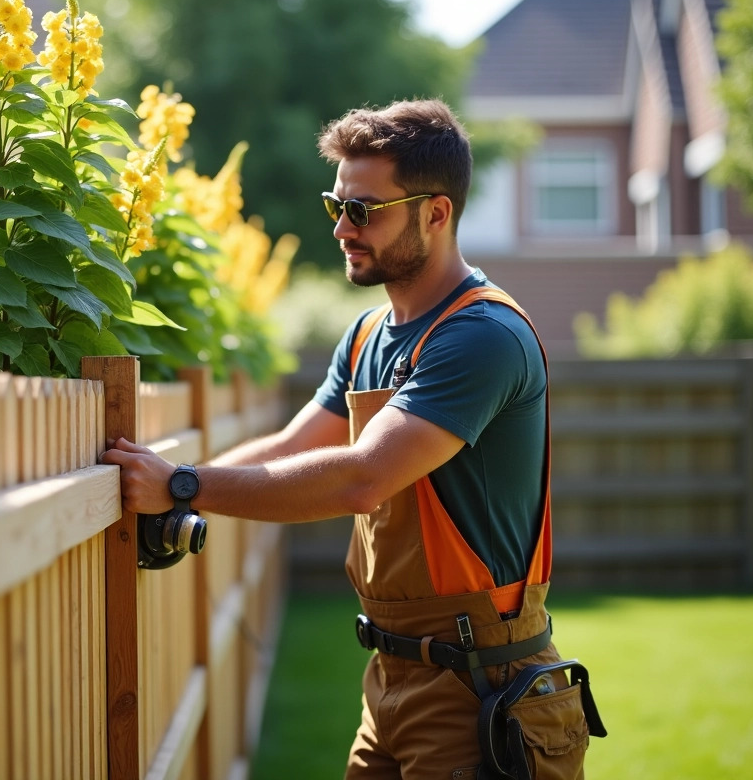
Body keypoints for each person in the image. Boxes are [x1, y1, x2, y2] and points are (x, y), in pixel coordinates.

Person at [101, 98, 601, 778]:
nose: (341, 227)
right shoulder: (367, 335)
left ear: (436, 212)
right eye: (336, 205)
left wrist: (184, 486)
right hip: (389, 678)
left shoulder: (482, 337)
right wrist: (172, 484)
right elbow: (291, 448)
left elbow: (363, 476)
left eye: (363, 210)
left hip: (480, 685)